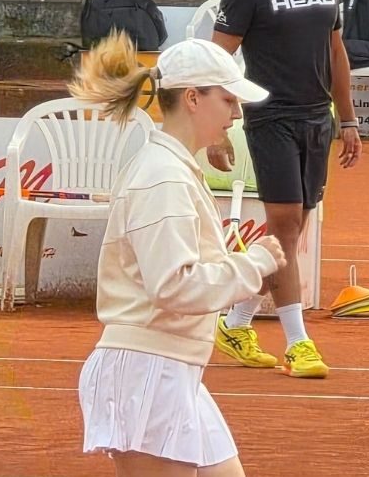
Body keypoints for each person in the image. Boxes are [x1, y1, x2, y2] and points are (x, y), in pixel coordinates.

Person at [71, 32, 288, 477]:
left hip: (169, 367)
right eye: (228, 100)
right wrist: (254, 266)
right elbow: (174, 285)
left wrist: (247, 271)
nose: (236, 113)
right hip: (149, 371)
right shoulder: (164, 177)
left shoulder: (171, 168)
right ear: (193, 98)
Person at [209, 0, 362, 379]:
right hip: (269, 118)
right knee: (284, 226)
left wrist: (350, 120)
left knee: (292, 234)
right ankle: (299, 343)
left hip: (319, 118)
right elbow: (217, 63)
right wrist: (214, 131)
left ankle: (235, 322)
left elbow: (337, 51)